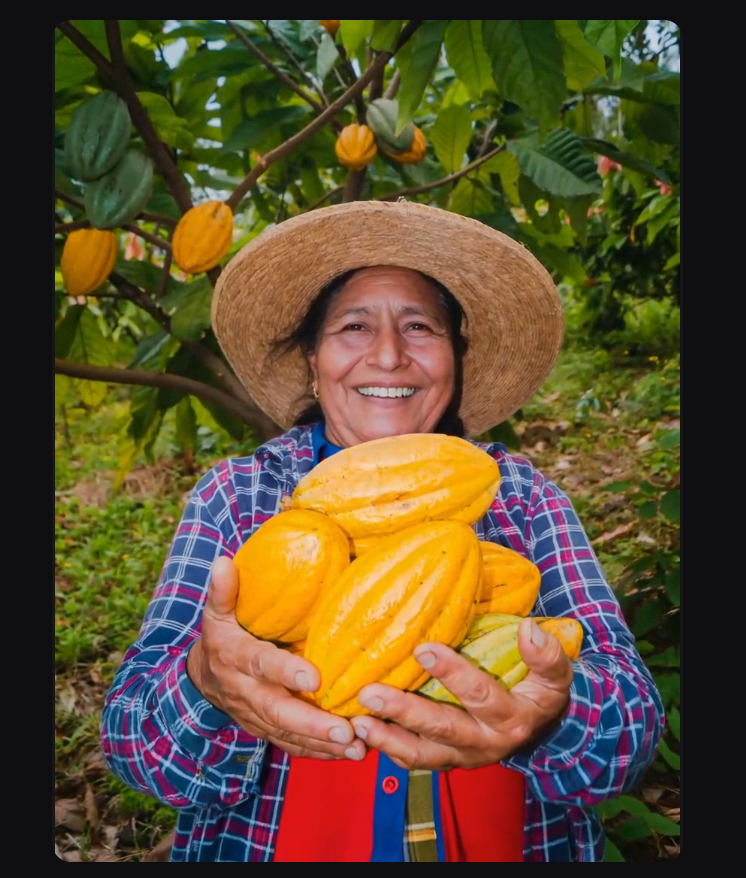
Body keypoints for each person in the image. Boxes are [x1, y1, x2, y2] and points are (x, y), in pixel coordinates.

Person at [101, 201, 664, 861]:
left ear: (455, 358)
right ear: (312, 359)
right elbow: (138, 751)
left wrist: (548, 719)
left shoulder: (521, 497)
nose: (390, 355)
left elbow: (630, 733)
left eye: (421, 326)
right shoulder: (238, 498)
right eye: (354, 326)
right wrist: (206, 681)